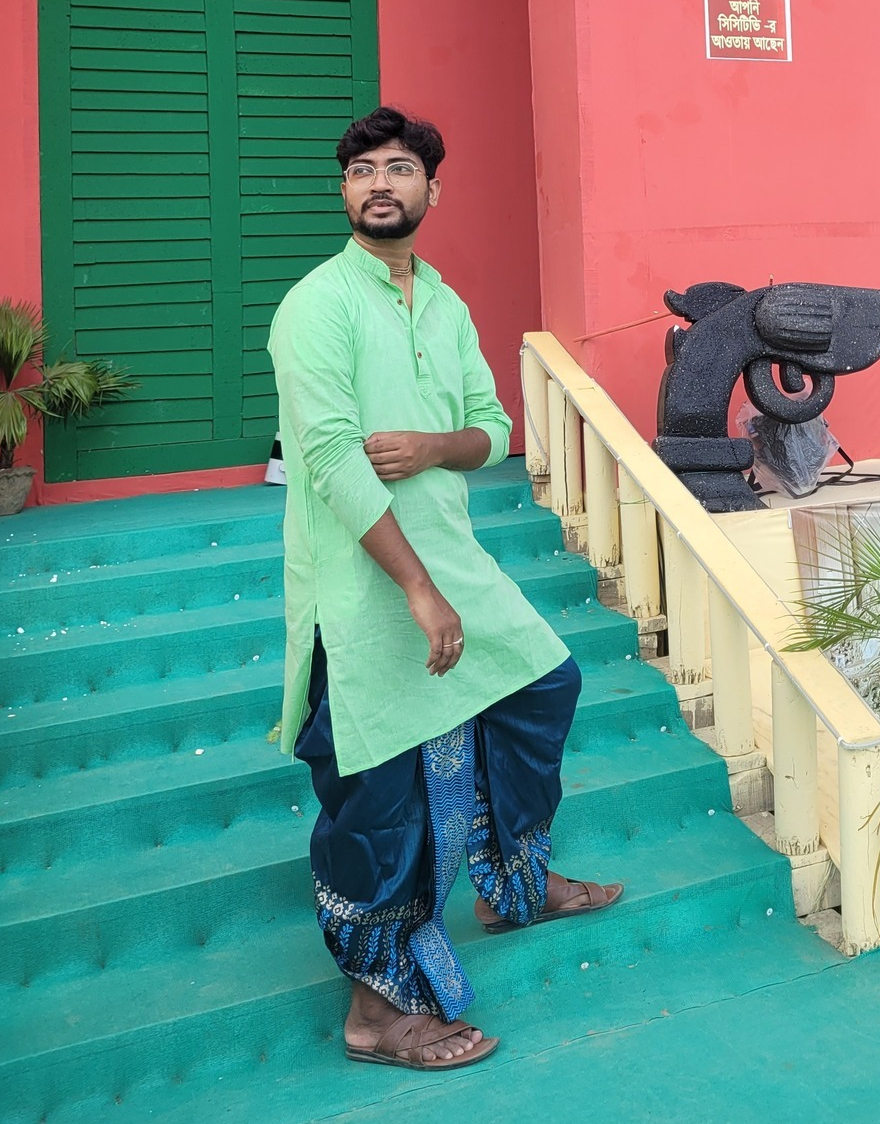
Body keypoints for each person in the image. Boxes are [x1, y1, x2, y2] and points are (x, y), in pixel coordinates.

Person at [268, 106, 623, 1072]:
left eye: (398, 168)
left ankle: (514, 884)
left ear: (432, 188)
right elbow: (332, 463)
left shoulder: (444, 303)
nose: (379, 184)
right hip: (361, 584)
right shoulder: (316, 306)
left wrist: (432, 446)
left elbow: (493, 432)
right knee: (380, 789)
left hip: (454, 560)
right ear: (345, 193)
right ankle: (375, 1010)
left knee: (543, 687)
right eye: (362, 171)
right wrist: (419, 593)